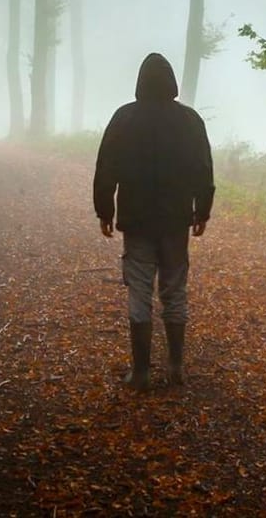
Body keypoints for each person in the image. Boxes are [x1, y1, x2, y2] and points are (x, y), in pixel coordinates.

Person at [93, 52, 215, 390]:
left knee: (140, 291)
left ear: (140, 83)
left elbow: (106, 168)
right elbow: (203, 168)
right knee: (175, 290)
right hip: (176, 220)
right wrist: (201, 210)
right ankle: (175, 366)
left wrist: (105, 210)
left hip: (137, 220)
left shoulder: (124, 118)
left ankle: (143, 372)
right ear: (172, 83)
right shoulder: (189, 120)